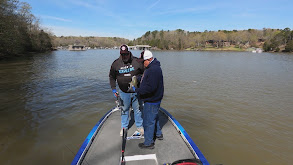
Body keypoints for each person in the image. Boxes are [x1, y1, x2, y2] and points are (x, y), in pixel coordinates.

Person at [131, 50, 164, 149]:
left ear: (149, 59)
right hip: (155, 99)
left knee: (148, 122)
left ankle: (148, 143)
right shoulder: (152, 67)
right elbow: (149, 80)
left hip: (151, 100)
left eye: (143, 61)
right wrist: (141, 77)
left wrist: (137, 90)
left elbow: (150, 87)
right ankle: (158, 134)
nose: (142, 63)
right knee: (154, 117)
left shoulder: (153, 70)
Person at [109, 44, 144, 136]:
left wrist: (139, 79)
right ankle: (124, 127)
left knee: (138, 110)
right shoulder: (116, 63)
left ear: (129, 52)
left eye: (126, 54)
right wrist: (113, 89)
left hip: (136, 92)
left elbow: (145, 73)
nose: (124, 56)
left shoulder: (137, 61)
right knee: (124, 110)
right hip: (124, 92)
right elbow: (111, 77)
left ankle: (140, 127)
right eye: (122, 54)